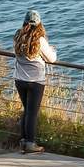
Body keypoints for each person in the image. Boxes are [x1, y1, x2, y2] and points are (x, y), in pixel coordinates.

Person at [11, 9, 57, 154]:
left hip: (20, 79)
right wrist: (51, 49)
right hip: (36, 81)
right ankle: (30, 143)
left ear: (24, 22)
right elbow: (52, 59)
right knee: (32, 113)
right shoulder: (40, 40)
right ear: (39, 24)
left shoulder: (18, 36)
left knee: (27, 110)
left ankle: (23, 141)